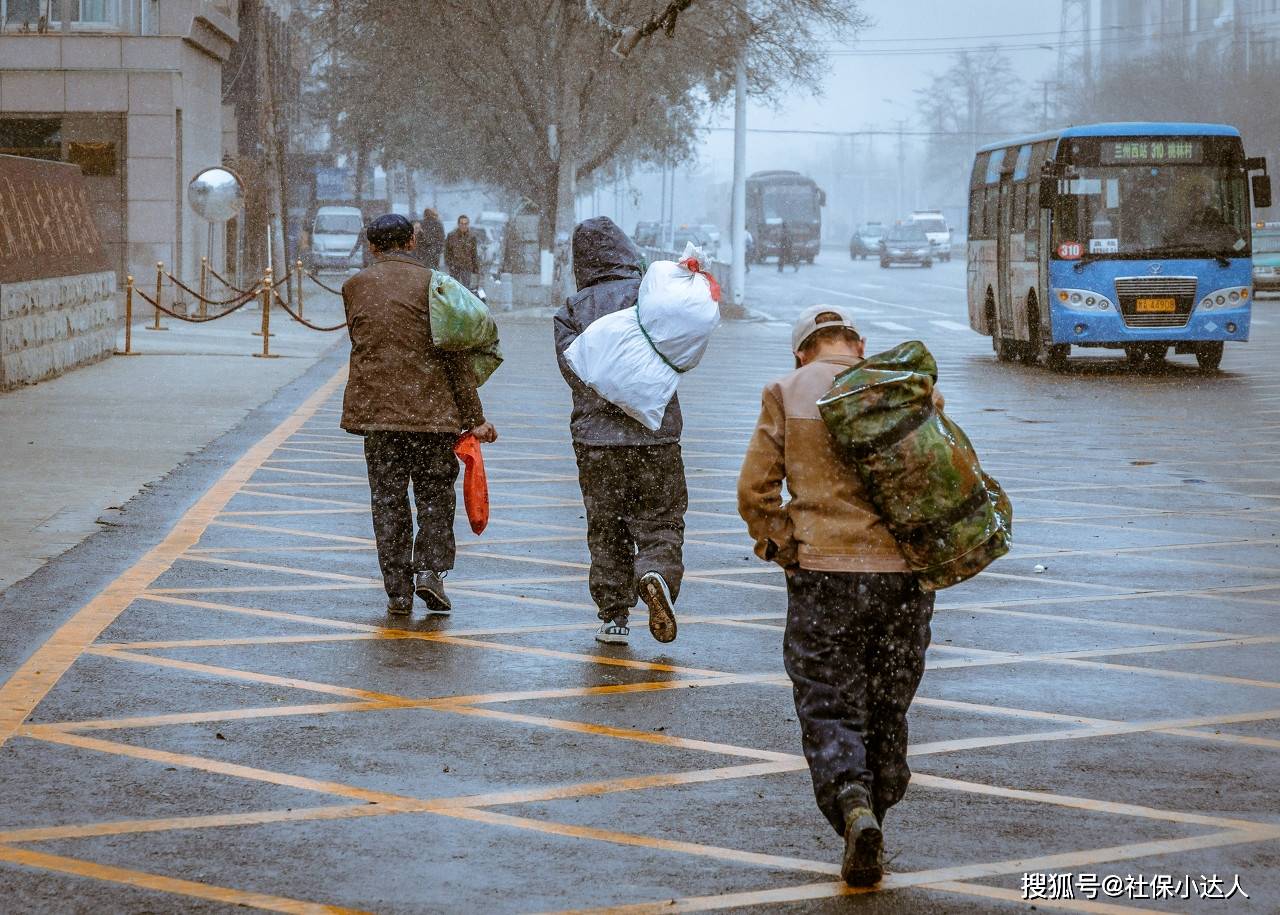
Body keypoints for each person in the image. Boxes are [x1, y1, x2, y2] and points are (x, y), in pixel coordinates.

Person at [736, 305, 938, 888]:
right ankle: (880, 794)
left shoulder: (787, 390)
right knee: (887, 695)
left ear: (803, 352)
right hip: (903, 577)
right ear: (858, 345)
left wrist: (780, 545)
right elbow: (944, 474)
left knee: (828, 695)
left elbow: (755, 489)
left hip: (824, 573)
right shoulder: (904, 387)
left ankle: (851, 801)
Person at [340, 214, 498, 616]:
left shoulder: (354, 287)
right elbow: (455, 355)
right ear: (412, 241)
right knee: (433, 498)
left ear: (371, 246)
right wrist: (474, 417)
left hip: (379, 416)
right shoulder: (435, 285)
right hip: (432, 416)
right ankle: (429, 569)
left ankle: (397, 590)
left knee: (388, 501)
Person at [553, 216, 686, 647]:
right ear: (628, 251)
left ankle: (613, 616)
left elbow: (573, 371)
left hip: (597, 441)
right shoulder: (651, 298)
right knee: (661, 517)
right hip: (656, 434)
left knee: (605, 524)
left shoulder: (572, 310)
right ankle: (656, 572)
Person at [445, 214, 481, 291]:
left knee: (465, 289)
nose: (463, 226)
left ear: (468, 224)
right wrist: (450, 263)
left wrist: (476, 268)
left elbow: (474, 253)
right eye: (462, 223)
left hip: (467, 266)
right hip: (455, 267)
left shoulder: (472, 237)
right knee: (454, 288)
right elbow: (447, 252)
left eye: (465, 224)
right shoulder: (451, 236)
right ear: (458, 224)